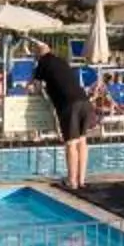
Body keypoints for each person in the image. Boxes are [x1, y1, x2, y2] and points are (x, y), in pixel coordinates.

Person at [31, 38, 93, 187]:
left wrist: (34, 91)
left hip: (69, 104)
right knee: (82, 141)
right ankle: (81, 180)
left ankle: (72, 181)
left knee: (71, 143)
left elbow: (35, 86)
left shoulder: (43, 62)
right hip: (84, 101)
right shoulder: (61, 61)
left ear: (39, 54)